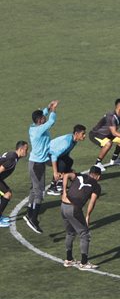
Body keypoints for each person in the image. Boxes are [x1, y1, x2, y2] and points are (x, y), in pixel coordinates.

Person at [24, 99, 58, 235]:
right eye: (43, 117)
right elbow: (51, 122)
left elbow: (42, 115)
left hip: (34, 163)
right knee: (39, 192)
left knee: (33, 189)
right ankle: (33, 218)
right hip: (38, 165)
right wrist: (54, 110)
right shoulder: (39, 130)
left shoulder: (33, 127)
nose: (44, 118)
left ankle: (28, 213)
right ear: (40, 121)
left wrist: (48, 108)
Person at [60, 165, 102, 270]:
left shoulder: (79, 176)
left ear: (89, 173)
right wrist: (88, 215)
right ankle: (84, 263)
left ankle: (69, 259)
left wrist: (64, 191)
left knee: (70, 232)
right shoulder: (96, 185)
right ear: (98, 176)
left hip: (63, 206)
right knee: (85, 234)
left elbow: (65, 175)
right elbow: (92, 202)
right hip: (74, 209)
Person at [48, 124, 87, 195]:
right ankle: (52, 187)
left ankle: (60, 182)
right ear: (76, 133)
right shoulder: (67, 143)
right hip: (46, 156)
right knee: (62, 164)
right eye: (83, 134)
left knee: (69, 161)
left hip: (53, 154)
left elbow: (66, 154)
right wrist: (55, 172)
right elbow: (54, 156)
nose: (84, 136)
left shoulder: (74, 140)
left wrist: (68, 169)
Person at [0, 141, 29, 228]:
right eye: (26, 150)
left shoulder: (12, 155)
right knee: (7, 194)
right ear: (21, 149)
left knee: (6, 193)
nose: (27, 152)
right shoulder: (12, 158)